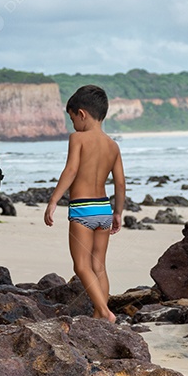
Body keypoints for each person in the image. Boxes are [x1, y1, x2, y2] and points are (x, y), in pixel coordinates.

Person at [44, 85, 125, 321]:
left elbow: (71, 170)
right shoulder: (113, 145)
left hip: (82, 208)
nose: (73, 125)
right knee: (99, 266)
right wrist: (118, 213)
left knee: (81, 266)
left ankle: (104, 312)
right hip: (104, 209)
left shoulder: (77, 138)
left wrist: (53, 201)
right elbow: (120, 184)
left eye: (72, 119)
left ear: (82, 114)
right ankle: (101, 318)